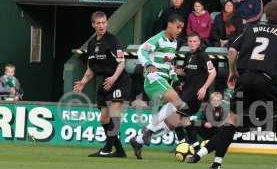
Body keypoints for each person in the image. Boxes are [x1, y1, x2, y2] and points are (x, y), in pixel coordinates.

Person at [186, 0, 277, 169]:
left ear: (265, 14)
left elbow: (232, 52)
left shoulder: (251, 29)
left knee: (233, 120)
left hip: (244, 78)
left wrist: (232, 72)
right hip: (266, 80)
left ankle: (216, 165)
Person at [130, 15, 191, 159]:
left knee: (174, 122)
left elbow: (169, 64)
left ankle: (138, 141)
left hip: (165, 81)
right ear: (169, 25)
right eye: (178, 27)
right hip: (153, 79)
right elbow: (141, 51)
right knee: (179, 103)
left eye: (182, 27)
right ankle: (149, 130)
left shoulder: (174, 43)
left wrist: (175, 79)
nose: (179, 30)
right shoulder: (158, 38)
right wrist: (148, 64)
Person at [74, 11, 130, 158]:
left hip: (119, 81)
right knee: (104, 119)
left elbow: (122, 63)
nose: (101, 25)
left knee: (114, 114)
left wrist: (113, 78)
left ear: (107, 23)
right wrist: (83, 82)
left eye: (103, 22)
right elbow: (91, 68)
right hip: (106, 82)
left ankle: (106, 149)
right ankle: (120, 151)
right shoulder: (92, 43)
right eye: (98, 23)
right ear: (93, 25)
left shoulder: (113, 40)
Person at [173, 33, 217, 150]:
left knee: (175, 117)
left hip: (195, 94)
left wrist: (204, 88)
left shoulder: (203, 56)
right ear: (187, 43)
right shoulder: (187, 55)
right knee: (184, 120)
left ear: (199, 43)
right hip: (186, 92)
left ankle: (182, 145)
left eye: (194, 41)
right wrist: (176, 71)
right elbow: (186, 73)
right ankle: (196, 147)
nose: (192, 43)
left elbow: (213, 73)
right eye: (190, 41)